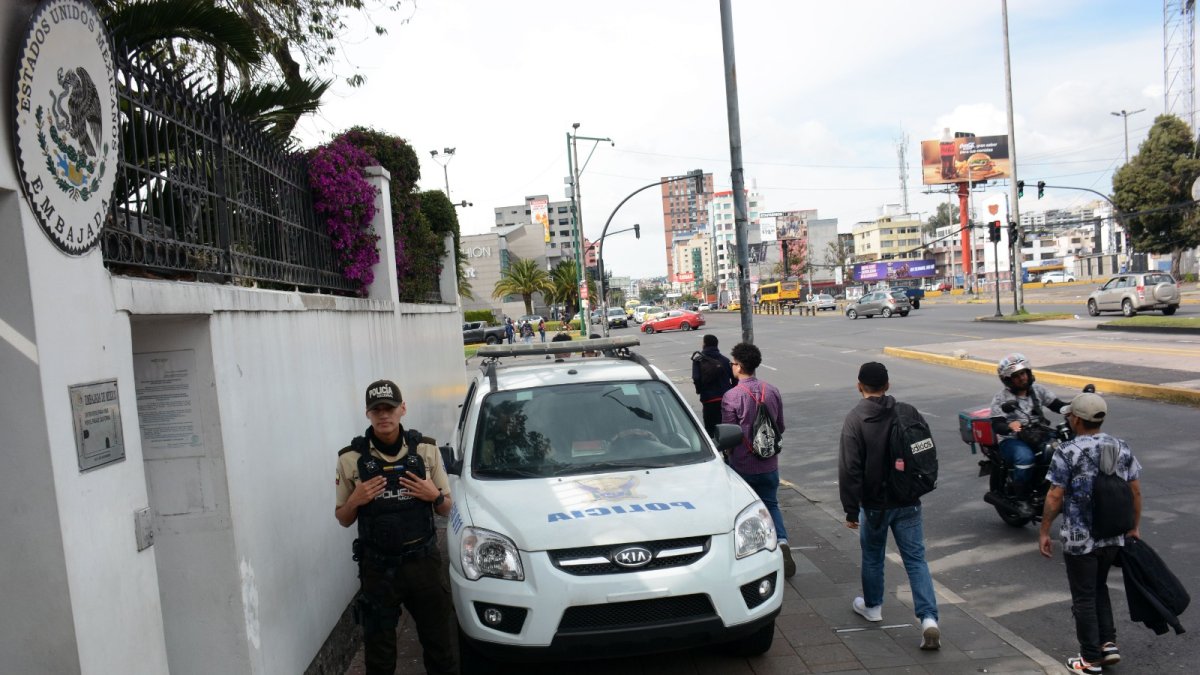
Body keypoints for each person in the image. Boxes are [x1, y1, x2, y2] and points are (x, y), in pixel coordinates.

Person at [334, 380, 457, 675]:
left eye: (389, 408)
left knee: (441, 647)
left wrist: (434, 496)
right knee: (379, 655)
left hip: (423, 564)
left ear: (402, 409)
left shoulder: (426, 450)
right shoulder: (349, 458)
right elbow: (343, 518)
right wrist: (356, 500)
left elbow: (447, 507)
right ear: (368, 414)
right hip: (378, 570)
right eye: (376, 410)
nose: (383, 415)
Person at [838, 362, 940, 650]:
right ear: (888, 385)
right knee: (916, 560)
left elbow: (850, 469)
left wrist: (850, 509)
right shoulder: (907, 411)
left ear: (859, 385)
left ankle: (873, 607)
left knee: (873, 556)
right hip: (908, 499)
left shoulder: (856, 419)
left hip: (874, 505)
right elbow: (925, 451)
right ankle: (929, 619)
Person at [1039, 392, 1142, 674]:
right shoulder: (1121, 446)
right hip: (1113, 535)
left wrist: (1045, 530)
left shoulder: (1066, 451)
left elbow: (1054, 496)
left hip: (1079, 539)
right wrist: (1134, 526)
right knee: (1099, 587)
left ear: (1076, 419)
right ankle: (1108, 645)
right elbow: (1134, 490)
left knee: (1084, 596)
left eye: (1071, 415)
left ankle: (1090, 660)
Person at [720, 342, 795, 577]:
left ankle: (758, 557)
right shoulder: (771, 390)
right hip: (770, 463)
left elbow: (729, 435)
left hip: (743, 465)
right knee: (771, 504)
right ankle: (782, 542)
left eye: (733, 363)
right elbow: (780, 426)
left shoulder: (731, 396)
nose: (732, 366)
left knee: (745, 513)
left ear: (740, 366)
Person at [989, 353, 1068, 518]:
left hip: (1038, 432)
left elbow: (1058, 406)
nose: (1021, 378)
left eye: (1023, 373)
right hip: (1012, 439)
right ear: (1008, 379)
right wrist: (1009, 425)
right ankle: (1022, 499)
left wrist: (1076, 407)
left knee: (1066, 447)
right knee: (1025, 458)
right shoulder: (1001, 398)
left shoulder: (1038, 390)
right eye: (1016, 376)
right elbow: (996, 424)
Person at [691, 334, 735, 438]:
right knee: (727, 428)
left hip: (708, 400)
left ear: (704, 344)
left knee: (710, 430)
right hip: (725, 399)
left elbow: (696, 378)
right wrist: (731, 391)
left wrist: (700, 390)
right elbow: (735, 378)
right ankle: (727, 452)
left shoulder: (698, 361)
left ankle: (715, 451)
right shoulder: (725, 360)